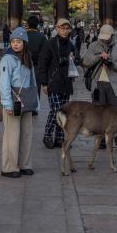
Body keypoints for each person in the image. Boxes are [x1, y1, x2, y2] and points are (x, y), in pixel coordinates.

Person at [82, 24, 117, 150]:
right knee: (98, 114)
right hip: (97, 85)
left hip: (114, 85)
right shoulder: (93, 46)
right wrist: (99, 57)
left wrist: (111, 63)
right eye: (103, 37)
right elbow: (86, 61)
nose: (104, 39)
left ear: (112, 36)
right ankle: (101, 141)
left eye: (107, 37)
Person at [0, 27, 38, 178]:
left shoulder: (27, 57)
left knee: (26, 134)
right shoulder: (7, 59)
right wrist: (7, 104)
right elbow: (4, 83)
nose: (15, 44)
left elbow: (33, 80)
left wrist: (36, 103)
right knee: (12, 135)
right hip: (13, 101)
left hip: (27, 100)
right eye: (13, 41)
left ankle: (24, 164)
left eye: (19, 41)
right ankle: (9, 167)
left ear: (25, 43)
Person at [37, 18, 77, 149]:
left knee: (64, 111)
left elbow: (77, 60)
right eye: (62, 28)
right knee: (56, 111)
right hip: (53, 82)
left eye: (67, 28)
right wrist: (43, 83)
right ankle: (47, 135)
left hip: (66, 83)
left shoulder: (71, 44)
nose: (64, 31)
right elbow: (42, 64)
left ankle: (59, 138)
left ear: (70, 29)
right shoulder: (50, 44)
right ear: (57, 28)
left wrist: (74, 59)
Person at [26, 15, 48, 115]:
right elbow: (45, 54)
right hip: (37, 65)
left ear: (27, 24)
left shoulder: (23, 35)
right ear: (38, 25)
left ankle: (25, 106)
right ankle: (34, 108)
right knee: (36, 86)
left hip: (24, 64)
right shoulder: (42, 37)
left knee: (25, 85)